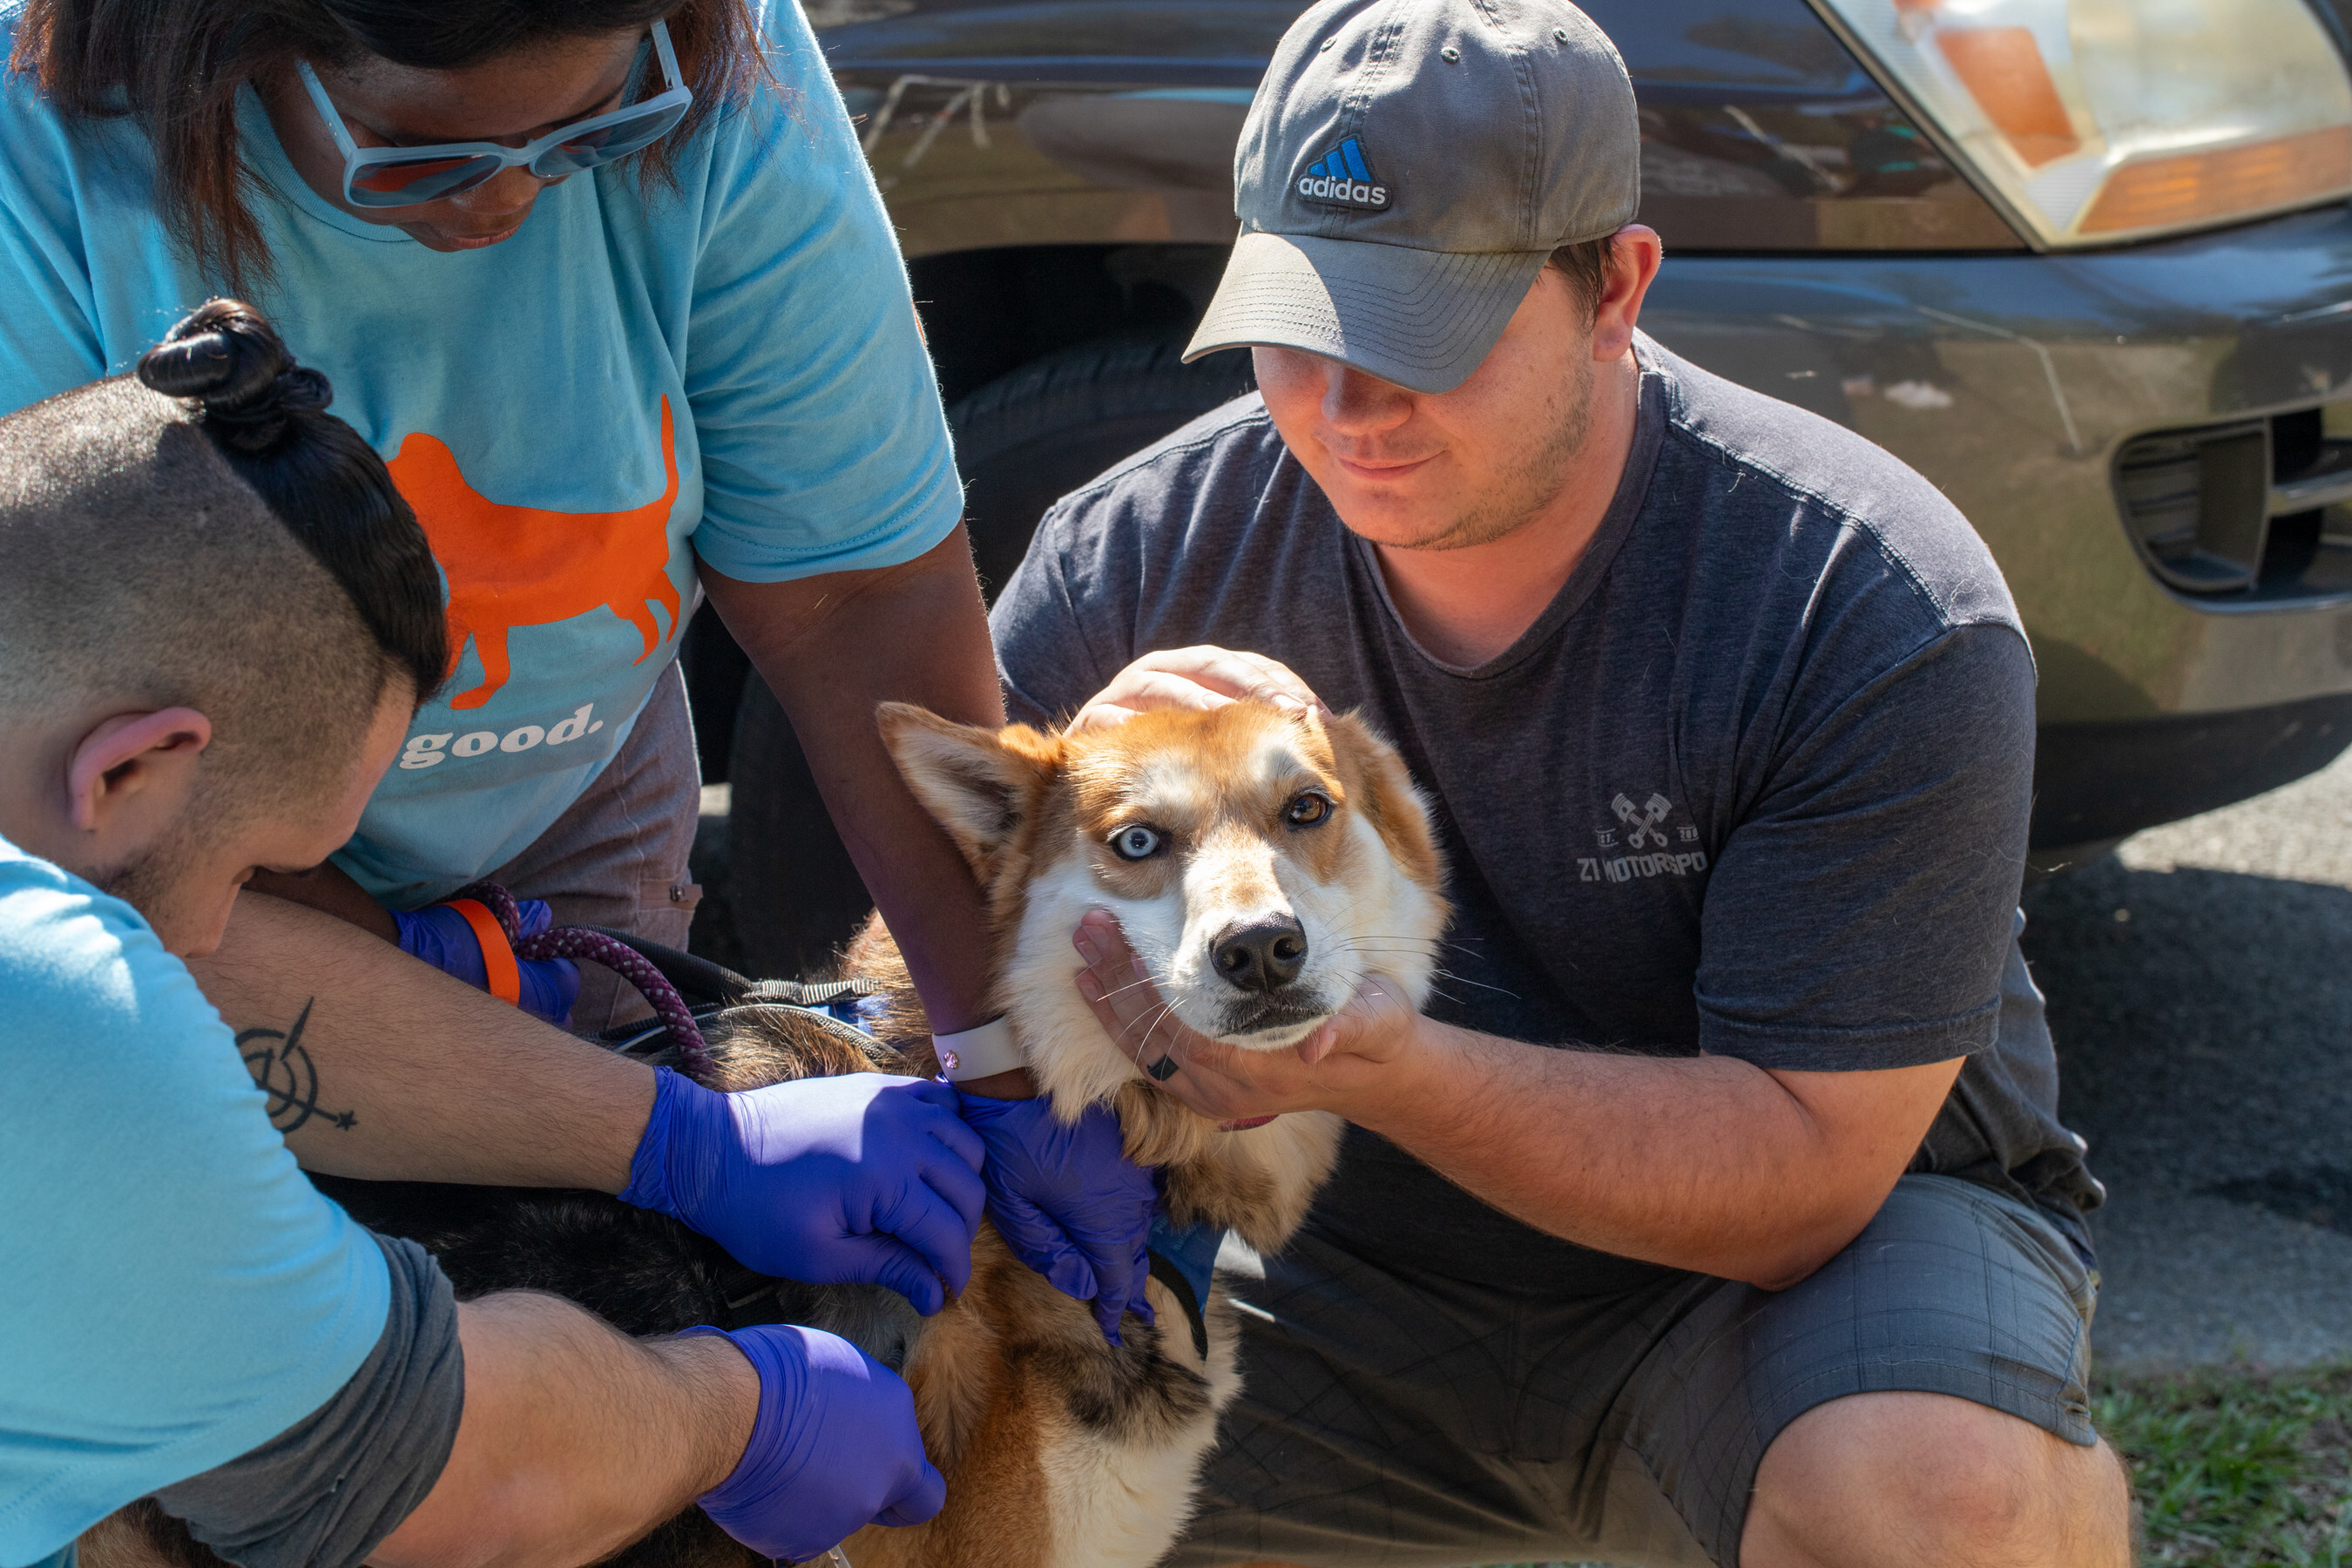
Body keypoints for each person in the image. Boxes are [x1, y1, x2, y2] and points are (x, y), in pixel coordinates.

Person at [988, 0, 2130, 1564]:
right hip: (1324, 1281)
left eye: (1419, 332)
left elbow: (1800, 1180)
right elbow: (938, 1008)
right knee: (913, 1415)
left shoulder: (1861, 600)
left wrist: (1374, 1066)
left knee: (1933, 1495)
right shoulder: (1131, 565)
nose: (1347, 405)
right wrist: (1074, 818)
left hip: (1771, 1288)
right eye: (1304, 326)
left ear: (1616, 290)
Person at [0, 0, 1155, 1335]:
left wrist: (1008, 1048)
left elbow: (851, 594)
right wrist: (678, 1193)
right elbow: (110, 894)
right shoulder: (38, 163)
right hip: (141, 878)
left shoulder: (727, 66)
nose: (506, 201)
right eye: (418, 155)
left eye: (591, 133)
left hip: (540, 812)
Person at [0, 304, 959, 1568]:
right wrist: (744, 1414)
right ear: (129, 771)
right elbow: (437, 1472)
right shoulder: (59, 1013)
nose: (233, 935)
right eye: (258, 874)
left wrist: (690, 1144)